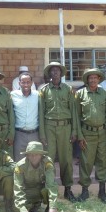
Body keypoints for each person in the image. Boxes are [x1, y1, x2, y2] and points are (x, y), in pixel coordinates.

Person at [39, 62, 77, 203]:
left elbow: (73, 111)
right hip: (49, 127)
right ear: (49, 74)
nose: (55, 73)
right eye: (52, 71)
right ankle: (50, 189)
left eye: (57, 71)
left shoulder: (68, 89)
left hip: (65, 128)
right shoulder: (44, 91)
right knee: (48, 159)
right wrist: (42, 134)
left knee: (66, 159)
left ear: (61, 73)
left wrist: (74, 131)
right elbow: (41, 113)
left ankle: (68, 189)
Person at [75, 68, 106, 203]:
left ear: (99, 79)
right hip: (87, 133)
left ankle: (102, 191)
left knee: (103, 162)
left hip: (102, 133)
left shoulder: (105, 94)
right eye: (91, 78)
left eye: (95, 78)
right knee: (86, 162)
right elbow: (76, 116)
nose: (93, 80)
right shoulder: (80, 94)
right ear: (87, 80)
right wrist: (80, 135)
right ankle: (84, 191)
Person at [14, 141, 58, 212]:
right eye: (31, 154)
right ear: (27, 155)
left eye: (37, 154)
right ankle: (34, 206)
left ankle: (49, 211)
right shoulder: (20, 166)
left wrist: (53, 206)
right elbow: (18, 188)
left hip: (41, 190)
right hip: (28, 191)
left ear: (41, 155)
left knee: (49, 188)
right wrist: (22, 209)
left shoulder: (47, 163)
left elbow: (51, 185)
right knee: (21, 206)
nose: (34, 157)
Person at [11, 72, 39, 161]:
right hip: (19, 135)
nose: (26, 84)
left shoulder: (38, 95)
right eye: (23, 82)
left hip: (34, 134)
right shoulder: (13, 95)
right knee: (19, 162)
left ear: (32, 83)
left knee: (34, 162)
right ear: (19, 83)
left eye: (28, 82)